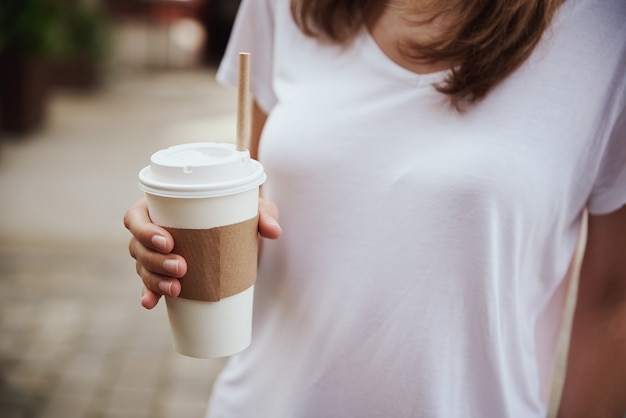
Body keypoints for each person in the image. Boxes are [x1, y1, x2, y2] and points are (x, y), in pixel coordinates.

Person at [124, 0, 626, 416]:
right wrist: (181, 235)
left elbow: (611, 302)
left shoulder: (606, 33)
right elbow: (253, 211)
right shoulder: (281, 6)